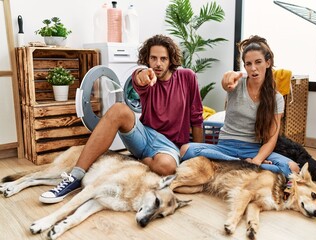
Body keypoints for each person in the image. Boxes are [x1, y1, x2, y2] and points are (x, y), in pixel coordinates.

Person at [39, 34, 204, 203]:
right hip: (144, 136)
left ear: (171, 60)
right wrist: (143, 76)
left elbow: (196, 118)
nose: (158, 64)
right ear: (147, 59)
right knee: (119, 109)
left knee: (167, 166)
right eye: (153, 58)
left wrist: (197, 159)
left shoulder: (187, 77)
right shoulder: (146, 76)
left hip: (169, 146)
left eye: (163, 59)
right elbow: (139, 78)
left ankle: (138, 161)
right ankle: (74, 177)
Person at [180, 35, 299, 178]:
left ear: (268, 63)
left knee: (293, 168)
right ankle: (244, 165)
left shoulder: (276, 98)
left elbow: (272, 138)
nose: (253, 68)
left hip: (253, 150)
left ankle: (234, 166)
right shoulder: (236, 83)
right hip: (224, 147)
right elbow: (227, 80)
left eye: (258, 62)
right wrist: (230, 75)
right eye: (248, 64)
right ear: (244, 67)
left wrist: (257, 160)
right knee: (185, 150)